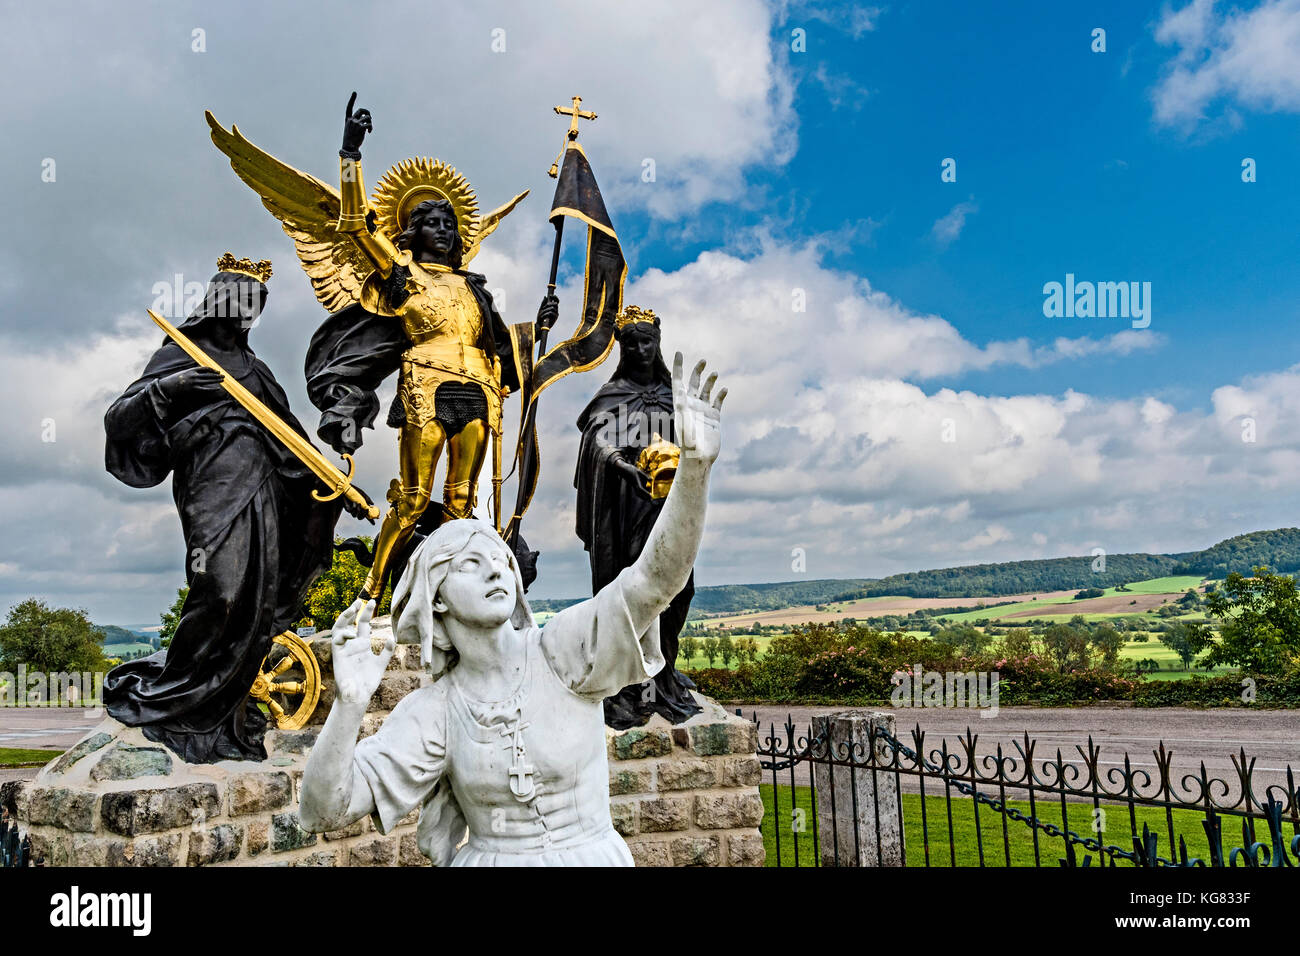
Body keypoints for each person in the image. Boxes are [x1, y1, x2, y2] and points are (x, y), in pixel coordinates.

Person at [299, 354, 727, 865]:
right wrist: (348, 706)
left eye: (500, 559)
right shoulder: (436, 712)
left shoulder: (563, 653)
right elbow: (325, 812)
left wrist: (695, 471)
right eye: (469, 564)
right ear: (434, 595)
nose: (496, 571)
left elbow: (655, 582)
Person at [102, 257, 367, 763]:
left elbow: (293, 444)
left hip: (265, 492)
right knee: (220, 590)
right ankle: (179, 693)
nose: (250, 315)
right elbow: (119, 418)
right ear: (219, 300)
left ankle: (223, 708)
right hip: (213, 487)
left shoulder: (257, 373)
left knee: (255, 598)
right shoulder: (181, 354)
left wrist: (334, 491)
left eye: (258, 306)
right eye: (244, 301)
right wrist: (170, 389)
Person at [314, 94, 557, 601]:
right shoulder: (401, 275)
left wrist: (535, 329)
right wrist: (350, 156)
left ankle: (445, 595)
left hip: (479, 391)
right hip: (427, 383)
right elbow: (357, 224)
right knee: (410, 498)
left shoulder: (474, 286)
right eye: (432, 223)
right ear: (412, 229)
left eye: (449, 224)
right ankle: (373, 589)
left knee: (463, 501)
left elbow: (498, 346)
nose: (444, 231)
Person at [574, 306, 702, 728]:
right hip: (626, 508)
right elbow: (595, 441)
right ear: (622, 349)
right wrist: (620, 463)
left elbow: (696, 444)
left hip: (670, 508)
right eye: (632, 343)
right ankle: (630, 681)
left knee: (681, 588)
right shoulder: (612, 396)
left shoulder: (673, 396)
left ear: (657, 344)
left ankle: (663, 670)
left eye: (647, 341)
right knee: (634, 591)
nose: (641, 349)